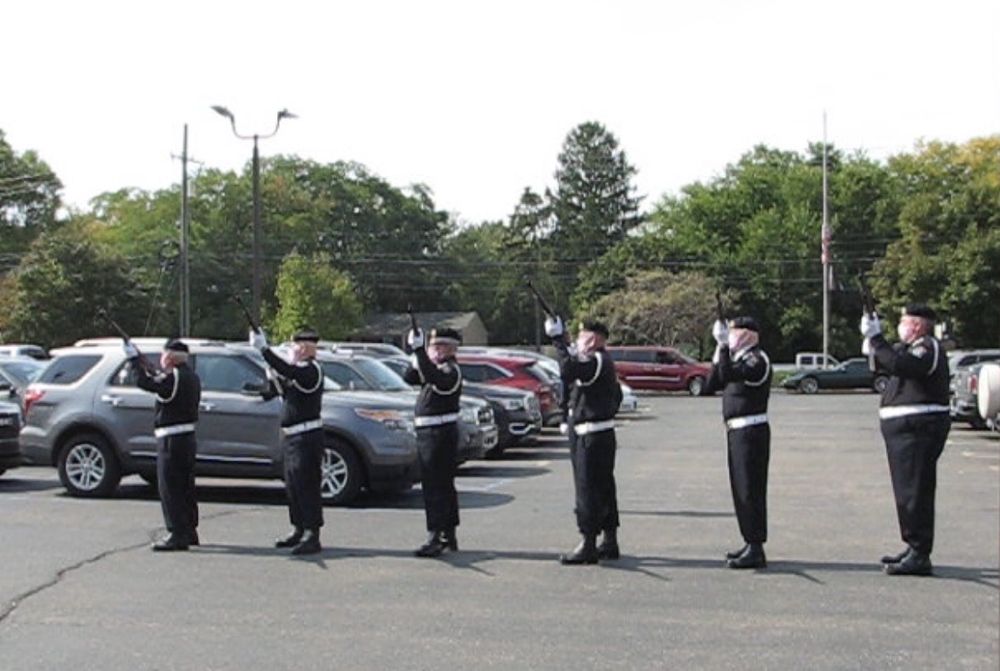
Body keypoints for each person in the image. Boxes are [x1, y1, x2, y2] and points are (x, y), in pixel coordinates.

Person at [861, 304, 950, 576]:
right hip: (905, 431)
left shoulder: (927, 347)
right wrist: (873, 342)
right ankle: (913, 545)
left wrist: (877, 337)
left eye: (904, 321)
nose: (900, 325)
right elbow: (884, 363)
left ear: (918, 325)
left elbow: (903, 366)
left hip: (919, 430)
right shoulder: (909, 348)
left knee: (916, 491)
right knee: (906, 491)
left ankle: (921, 552)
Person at [544, 317, 622, 565]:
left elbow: (567, 371)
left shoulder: (598, 360)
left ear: (595, 339)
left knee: (588, 489)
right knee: (604, 488)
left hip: (592, 435)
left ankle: (588, 543)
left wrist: (557, 341)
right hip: (595, 432)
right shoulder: (599, 361)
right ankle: (609, 540)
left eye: (582, 337)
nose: (579, 341)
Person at [705, 316, 772, 569]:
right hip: (737, 432)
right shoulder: (737, 359)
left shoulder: (757, 358)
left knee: (751, 489)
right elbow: (712, 383)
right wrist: (719, 349)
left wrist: (723, 346)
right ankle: (749, 541)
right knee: (740, 488)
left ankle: (756, 546)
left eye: (734, 331)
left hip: (751, 431)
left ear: (749, 335)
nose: (730, 335)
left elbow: (730, 373)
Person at [251, 327, 325, 556]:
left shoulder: (311, 371)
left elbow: (288, 371)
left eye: (294, 346)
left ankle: (312, 534)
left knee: (306, 486)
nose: (292, 350)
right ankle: (298, 527)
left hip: (307, 436)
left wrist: (264, 349)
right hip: (293, 437)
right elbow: (276, 388)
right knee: (293, 486)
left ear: (304, 348)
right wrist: (268, 379)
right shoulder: (298, 372)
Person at [127, 339, 201, 552]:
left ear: (168, 357)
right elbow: (159, 381)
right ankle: (188, 529)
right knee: (185, 487)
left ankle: (177, 533)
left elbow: (146, 384)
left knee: (170, 488)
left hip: (171, 439)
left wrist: (134, 361)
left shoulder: (174, 377)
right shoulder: (191, 375)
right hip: (187, 437)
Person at [403, 327, 464, 557]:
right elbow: (409, 377)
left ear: (450, 348)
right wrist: (417, 355)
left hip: (439, 433)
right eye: (432, 346)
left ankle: (437, 535)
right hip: (431, 433)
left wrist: (420, 352)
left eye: (438, 347)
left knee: (436, 486)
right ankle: (447, 534)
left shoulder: (450, 370)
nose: (434, 350)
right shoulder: (435, 368)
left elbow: (435, 378)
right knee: (441, 485)